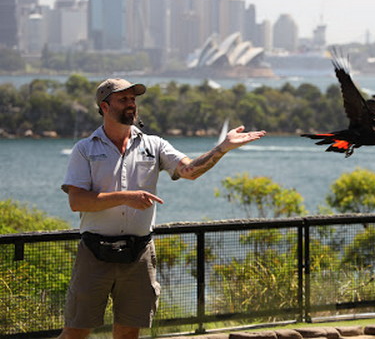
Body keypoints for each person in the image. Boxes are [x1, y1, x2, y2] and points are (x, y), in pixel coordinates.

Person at [58, 78, 266, 339]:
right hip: (94, 252)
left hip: (139, 254)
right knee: (75, 332)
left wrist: (222, 148)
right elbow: (77, 201)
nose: (131, 104)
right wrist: (125, 197)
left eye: (133, 99)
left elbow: (189, 171)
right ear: (105, 106)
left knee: (128, 333)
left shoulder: (154, 145)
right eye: (123, 99)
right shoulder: (84, 149)